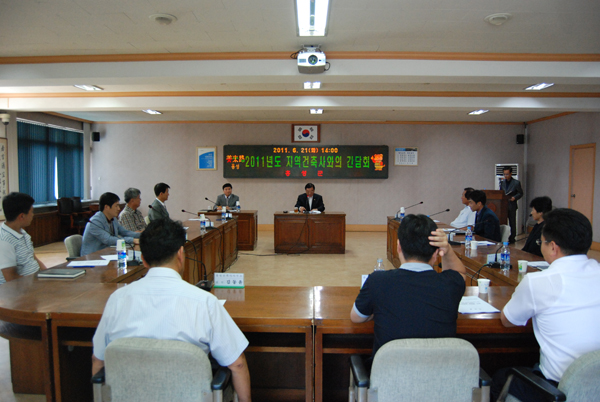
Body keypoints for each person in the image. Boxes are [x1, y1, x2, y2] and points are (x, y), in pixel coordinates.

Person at [91, 218, 251, 402]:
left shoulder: (117, 300)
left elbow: (98, 360)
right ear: (181, 254)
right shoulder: (204, 302)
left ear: (143, 260)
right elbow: (237, 364)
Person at [492, 208, 600, 402]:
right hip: (595, 389)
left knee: (500, 377)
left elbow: (508, 320)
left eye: (541, 242)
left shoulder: (539, 282)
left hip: (557, 389)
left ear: (553, 247)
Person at [350, 214, 466, 365]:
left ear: (398, 247)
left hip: (389, 376)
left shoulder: (377, 281)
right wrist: (448, 250)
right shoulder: (450, 284)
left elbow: (356, 317)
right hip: (440, 376)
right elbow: (459, 273)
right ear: (437, 252)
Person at [0, 192, 47, 284]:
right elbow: (11, 278)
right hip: (20, 289)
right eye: (31, 212)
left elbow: (34, 259)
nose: (33, 215)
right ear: (22, 216)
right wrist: (37, 285)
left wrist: (48, 274)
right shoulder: (4, 241)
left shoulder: (22, 232)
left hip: (35, 282)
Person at [500, 166, 523, 243]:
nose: (505, 176)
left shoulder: (516, 183)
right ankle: (503, 237)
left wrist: (514, 197)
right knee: (503, 221)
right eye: (504, 174)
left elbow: (520, 193)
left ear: (511, 173)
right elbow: (501, 193)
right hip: (504, 205)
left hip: (512, 204)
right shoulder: (502, 182)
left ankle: (512, 237)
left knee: (512, 222)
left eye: (507, 174)